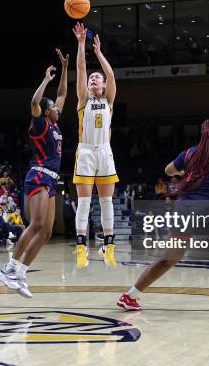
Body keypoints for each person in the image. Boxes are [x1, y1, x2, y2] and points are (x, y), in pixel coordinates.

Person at [117, 119, 209, 316]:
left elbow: (168, 170)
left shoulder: (189, 153)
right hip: (208, 208)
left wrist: (188, 172)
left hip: (182, 209)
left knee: (168, 259)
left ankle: (130, 296)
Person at [0, 48, 68, 299]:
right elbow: (34, 102)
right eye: (55, 108)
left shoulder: (55, 122)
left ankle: (22, 273)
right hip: (38, 174)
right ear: (48, 111)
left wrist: (65, 69)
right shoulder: (40, 123)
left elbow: (61, 94)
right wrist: (46, 80)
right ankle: (9, 269)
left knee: (47, 231)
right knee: (36, 224)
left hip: (50, 178)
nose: (59, 109)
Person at [72, 22, 119, 268]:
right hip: (86, 151)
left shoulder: (109, 99)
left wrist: (98, 53)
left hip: (105, 152)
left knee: (107, 202)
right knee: (84, 202)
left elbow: (110, 75)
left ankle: (108, 246)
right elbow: (80, 69)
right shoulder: (83, 99)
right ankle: (81, 248)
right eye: (91, 78)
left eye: (96, 78)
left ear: (102, 86)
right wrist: (81, 45)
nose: (93, 78)